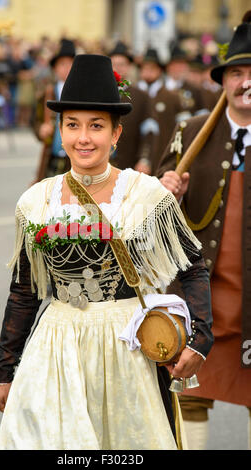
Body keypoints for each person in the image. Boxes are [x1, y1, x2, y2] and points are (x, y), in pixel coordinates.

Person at [0, 54, 213, 450]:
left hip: (126, 350)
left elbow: (193, 267)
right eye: (72, 125)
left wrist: (199, 340)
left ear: (116, 134)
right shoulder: (35, 202)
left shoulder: (146, 196)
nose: (83, 138)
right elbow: (24, 288)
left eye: (96, 126)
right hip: (54, 350)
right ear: (60, 131)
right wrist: (3, 371)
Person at [157, 14, 251, 450]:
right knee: (189, 394)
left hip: (249, 298)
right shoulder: (191, 132)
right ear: (224, 80)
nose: (245, 83)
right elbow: (152, 213)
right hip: (200, 295)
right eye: (237, 73)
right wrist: (167, 193)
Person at [137, 47, 191, 174]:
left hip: (162, 158)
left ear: (160, 71)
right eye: (145, 68)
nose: (148, 72)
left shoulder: (171, 96)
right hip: (133, 159)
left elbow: (183, 128)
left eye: (152, 68)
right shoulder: (133, 95)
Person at [31, 39, 76, 183]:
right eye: (62, 64)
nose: (66, 68)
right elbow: (35, 121)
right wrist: (41, 129)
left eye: (70, 64)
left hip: (76, 158)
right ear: (55, 68)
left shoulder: (83, 93)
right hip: (53, 156)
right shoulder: (48, 93)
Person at [108, 41, 155, 174]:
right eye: (114, 64)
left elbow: (149, 131)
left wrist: (144, 159)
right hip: (100, 163)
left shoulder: (141, 96)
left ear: (129, 67)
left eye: (122, 64)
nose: (118, 68)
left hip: (129, 162)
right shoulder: (98, 94)